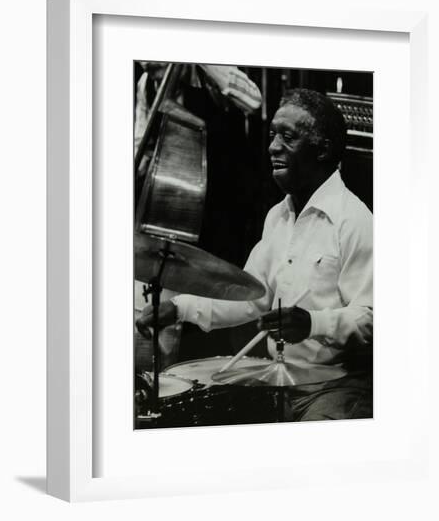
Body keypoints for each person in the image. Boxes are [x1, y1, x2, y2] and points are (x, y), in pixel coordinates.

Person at [137, 88, 373, 421]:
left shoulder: (355, 220)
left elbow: (373, 318)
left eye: (287, 137)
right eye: (273, 134)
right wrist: (179, 308)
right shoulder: (278, 216)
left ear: (322, 150)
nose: (273, 146)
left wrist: (313, 323)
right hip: (279, 379)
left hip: (338, 387)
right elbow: (251, 298)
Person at [134, 62, 262, 366]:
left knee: (216, 297)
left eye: (154, 60)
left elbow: (253, 101)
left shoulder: (209, 73)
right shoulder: (145, 83)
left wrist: (197, 58)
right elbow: (141, 134)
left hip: (223, 203)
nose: (147, 65)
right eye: (143, 61)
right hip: (176, 202)